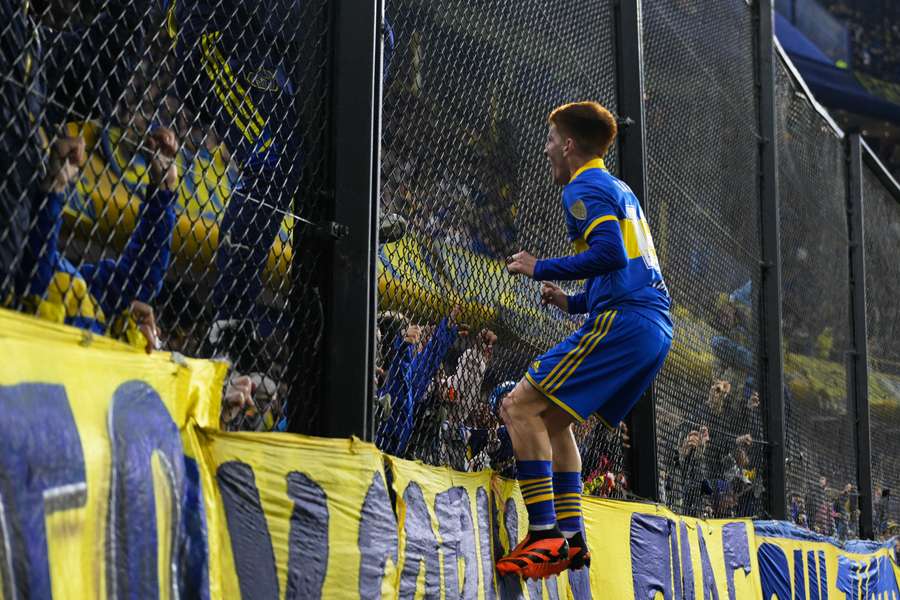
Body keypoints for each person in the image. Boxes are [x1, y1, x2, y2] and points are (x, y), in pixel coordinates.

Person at [499, 101, 672, 578]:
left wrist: (541, 267)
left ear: (570, 145)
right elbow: (625, 265)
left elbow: (610, 255)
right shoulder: (618, 188)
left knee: (517, 407)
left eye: (552, 138)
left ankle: (544, 534)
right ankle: (573, 538)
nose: (547, 147)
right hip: (652, 326)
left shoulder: (582, 186)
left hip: (627, 321)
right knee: (554, 423)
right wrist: (571, 302)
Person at [15, 128, 179, 352]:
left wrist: (163, 195)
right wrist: (52, 190)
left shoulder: (77, 287)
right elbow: (35, 273)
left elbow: (137, 282)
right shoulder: (27, 278)